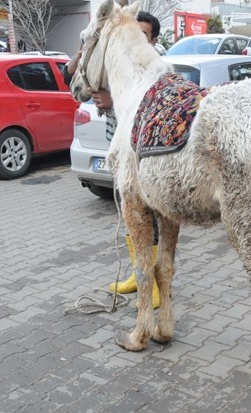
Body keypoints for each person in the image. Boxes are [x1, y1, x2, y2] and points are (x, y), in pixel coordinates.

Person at [65, 11, 162, 308]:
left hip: (145, 156)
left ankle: (155, 286)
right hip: (118, 149)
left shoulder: (154, 69)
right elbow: (70, 76)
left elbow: (148, 111)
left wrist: (110, 102)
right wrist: (86, 43)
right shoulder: (118, 64)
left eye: (143, 35)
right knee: (130, 216)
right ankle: (138, 275)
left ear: (153, 40)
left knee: (150, 219)